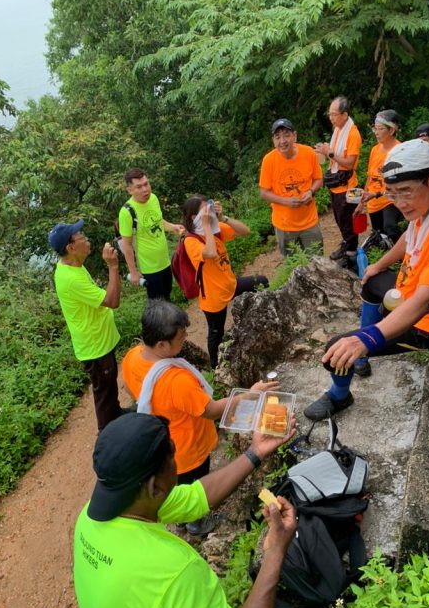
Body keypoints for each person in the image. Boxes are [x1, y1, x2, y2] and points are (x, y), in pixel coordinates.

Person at [73, 412, 304, 608]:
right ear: (154, 486)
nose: (176, 460)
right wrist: (275, 551)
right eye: (172, 454)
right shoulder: (174, 572)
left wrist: (254, 452)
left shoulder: (92, 516)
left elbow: (195, 497)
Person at [304, 139, 429, 421]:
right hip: (408, 289)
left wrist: (366, 338)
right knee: (370, 283)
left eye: (406, 192)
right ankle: (362, 355)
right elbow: (410, 234)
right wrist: (378, 265)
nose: (399, 204)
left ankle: (340, 395)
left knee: (335, 350)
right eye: (393, 193)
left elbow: (424, 301)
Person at [122, 299, 278, 535]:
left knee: (175, 486)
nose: (185, 340)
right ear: (162, 344)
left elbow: (131, 389)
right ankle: (195, 524)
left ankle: (182, 520)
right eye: (181, 337)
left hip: (167, 441)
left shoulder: (133, 357)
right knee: (193, 486)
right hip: (189, 448)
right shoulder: (176, 381)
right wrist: (249, 395)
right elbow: (212, 410)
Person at [48, 220, 122, 431]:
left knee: (109, 387)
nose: (86, 238)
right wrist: (113, 266)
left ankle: (116, 416)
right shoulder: (72, 279)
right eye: (81, 236)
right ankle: (108, 435)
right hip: (95, 345)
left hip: (100, 340)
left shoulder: (73, 265)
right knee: (104, 393)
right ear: (71, 248)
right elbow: (112, 301)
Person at [181, 195, 269, 368]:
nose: (209, 212)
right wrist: (206, 226)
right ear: (193, 217)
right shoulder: (190, 241)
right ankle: (215, 367)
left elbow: (245, 231)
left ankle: (254, 321)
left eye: (210, 207)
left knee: (262, 282)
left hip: (231, 284)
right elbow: (211, 253)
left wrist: (223, 218)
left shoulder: (216, 229)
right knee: (216, 333)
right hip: (213, 297)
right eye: (205, 210)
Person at [259, 118, 324, 256]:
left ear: (294, 136)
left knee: (317, 263)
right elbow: (264, 192)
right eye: (278, 137)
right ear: (273, 140)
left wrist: (311, 191)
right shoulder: (269, 160)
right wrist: (286, 201)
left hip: (310, 222)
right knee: (293, 267)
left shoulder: (308, 153)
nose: (282, 141)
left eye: (286, 135)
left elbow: (318, 179)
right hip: (284, 225)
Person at [118, 167, 184, 300]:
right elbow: (126, 245)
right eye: (139, 187)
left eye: (146, 184)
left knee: (167, 297)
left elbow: (158, 221)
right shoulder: (126, 212)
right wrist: (133, 272)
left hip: (165, 261)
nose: (145, 189)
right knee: (158, 306)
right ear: (130, 190)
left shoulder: (153, 198)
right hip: (150, 268)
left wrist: (173, 227)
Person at [314, 96, 363, 267]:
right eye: (330, 114)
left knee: (348, 221)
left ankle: (351, 255)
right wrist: (325, 150)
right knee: (340, 220)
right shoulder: (338, 130)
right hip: (336, 185)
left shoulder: (353, 133)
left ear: (344, 114)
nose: (331, 118)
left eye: (334, 114)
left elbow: (349, 162)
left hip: (348, 186)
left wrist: (330, 153)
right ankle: (346, 246)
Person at [357, 109, 403, 245]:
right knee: (380, 235)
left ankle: (406, 256)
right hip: (373, 202)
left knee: (390, 228)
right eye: (375, 129)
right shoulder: (375, 150)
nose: (376, 132)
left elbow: (401, 183)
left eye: (380, 129)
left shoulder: (399, 150)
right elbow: (370, 177)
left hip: (390, 199)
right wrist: (362, 202)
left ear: (392, 130)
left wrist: (376, 194)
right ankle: (389, 263)